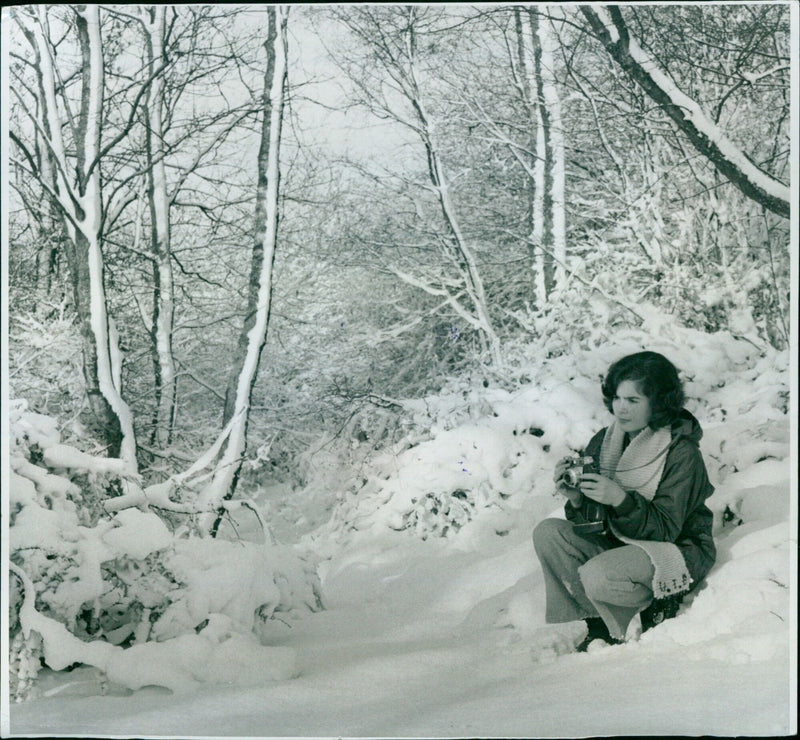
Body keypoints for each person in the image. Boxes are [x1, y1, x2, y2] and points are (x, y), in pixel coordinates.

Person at [532, 351, 715, 652]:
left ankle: (659, 603)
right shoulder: (607, 440)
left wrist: (620, 499)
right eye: (617, 398)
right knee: (549, 533)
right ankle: (600, 623)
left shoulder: (682, 453)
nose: (621, 408)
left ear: (658, 402)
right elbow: (593, 523)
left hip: (677, 550)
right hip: (624, 541)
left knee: (599, 574)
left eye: (633, 400)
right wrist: (578, 499)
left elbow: (666, 529)